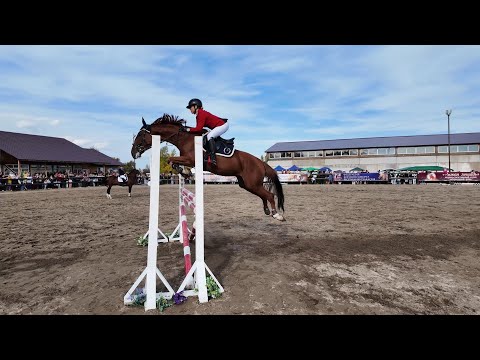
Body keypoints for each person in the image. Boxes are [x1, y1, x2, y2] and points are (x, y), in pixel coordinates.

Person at [184, 98, 229, 166]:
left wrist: (188, 130)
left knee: (209, 136)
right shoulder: (199, 114)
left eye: (191, 107)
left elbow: (198, 129)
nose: (190, 109)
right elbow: (199, 129)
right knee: (207, 136)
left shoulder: (201, 113)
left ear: (196, 106)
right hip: (218, 126)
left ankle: (213, 158)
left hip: (222, 125)